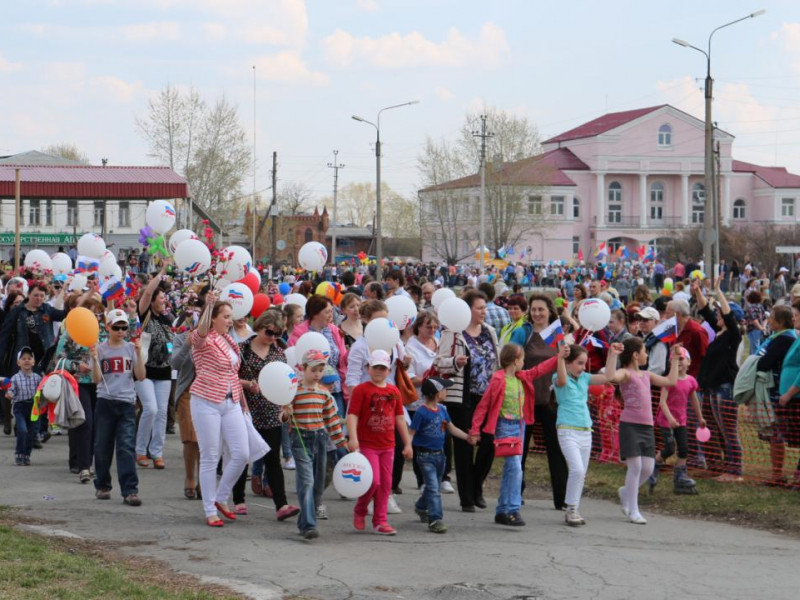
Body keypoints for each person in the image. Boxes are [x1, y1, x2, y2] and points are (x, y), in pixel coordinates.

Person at [469, 343, 561, 526]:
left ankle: (502, 510)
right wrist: (475, 430)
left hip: (520, 426)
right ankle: (512, 509)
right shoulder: (498, 379)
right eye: (522, 359)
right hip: (504, 426)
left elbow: (540, 369)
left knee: (511, 469)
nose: (524, 362)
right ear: (515, 360)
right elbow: (483, 405)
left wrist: (559, 357)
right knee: (516, 468)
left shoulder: (521, 376)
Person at [434, 289, 499, 512]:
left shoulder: (489, 331)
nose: (484, 312)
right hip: (462, 397)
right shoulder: (453, 333)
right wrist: (455, 362)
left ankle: (477, 484)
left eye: (485, 308)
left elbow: (496, 361)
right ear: (467, 310)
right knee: (464, 446)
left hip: (487, 396)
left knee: (489, 442)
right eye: (479, 308)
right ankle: (467, 498)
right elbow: (439, 362)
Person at [234, 310, 300, 521]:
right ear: (259, 327)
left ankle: (281, 505)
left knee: (273, 459)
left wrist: (287, 406)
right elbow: (229, 377)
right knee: (242, 456)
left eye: (277, 334)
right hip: (246, 409)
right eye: (269, 332)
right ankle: (238, 499)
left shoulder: (279, 353)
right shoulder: (241, 349)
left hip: (271, 411)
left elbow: (286, 381)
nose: (272, 337)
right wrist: (247, 384)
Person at [190, 293, 249, 527]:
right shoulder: (202, 338)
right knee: (210, 456)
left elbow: (233, 372)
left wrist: (242, 400)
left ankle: (221, 497)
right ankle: (209, 509)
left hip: (231, 400)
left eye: (230, 316)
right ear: (213, 318)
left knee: (242, 453)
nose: (230, 321)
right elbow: (201, 333)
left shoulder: (228, 340)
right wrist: (209, 305)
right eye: (225, 316)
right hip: (206, 400)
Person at [609, 337, 681, 524]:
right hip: (630, 426)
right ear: (635, 355)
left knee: (648, 468)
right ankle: (633, 510)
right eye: (644, 351)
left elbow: (671, 381)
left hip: (647, 427)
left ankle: (626, 491)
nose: (647, 355)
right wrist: (612, 355)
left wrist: (675, 359)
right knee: (635, 467)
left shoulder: (647, 375)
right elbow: (611, 377)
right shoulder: (625, 373)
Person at [553, 343, 621, 526]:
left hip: (585, 431)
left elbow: (608, 376)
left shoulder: (585, 378)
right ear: (568, 362)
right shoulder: (558, 377)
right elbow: (562, 381)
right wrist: (560, 357)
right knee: (577, 469)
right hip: (567, 429)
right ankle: (570, 508)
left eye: (585, 363)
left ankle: (573, 508)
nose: (583, 367)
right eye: (579, 363)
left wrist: (612, 354)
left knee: (581, 473)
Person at [347, 349, 413, 536]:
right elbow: (352, 415)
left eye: (383, 368)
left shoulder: (394, 391)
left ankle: (380, 521)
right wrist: (353, 438)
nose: (379, 371)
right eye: (375, 367)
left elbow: (400, 418)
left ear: (389, 370)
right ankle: (361, 508)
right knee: (373, 481)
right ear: (368, 368)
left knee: (385, 484)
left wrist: (407, 443)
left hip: (387, 445)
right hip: (367, 444)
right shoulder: (361, 390)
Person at [283, 349, 347, 539]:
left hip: (320, 439)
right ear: (303, 369)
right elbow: (284, 417)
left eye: (321, 370)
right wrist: (286, 413)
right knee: (307, 481)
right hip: (300, 439)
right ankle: (309, 525)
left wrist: (341, 443)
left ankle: (304, 520)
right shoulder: (294, 391)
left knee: (318, 483)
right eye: (314, 370)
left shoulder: (324, 394)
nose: (318, 374)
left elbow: (332, 420)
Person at [91, 309, 146, 506]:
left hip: (126, 402)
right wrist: (94, 359)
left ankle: (130, 490)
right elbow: (96, 379)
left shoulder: (131, 348)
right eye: (116, 327)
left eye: (124, 327)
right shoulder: (100, 349)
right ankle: (103, 485)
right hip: (105, 401)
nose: (121, 331)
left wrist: (139, 354)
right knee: (102, 446)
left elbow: (141, 376)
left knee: (126, 447)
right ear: (108, 327)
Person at [520, 294, 567, 509]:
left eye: (541, 309)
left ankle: (562, 499)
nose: (537, 313)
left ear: (550, 311)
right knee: (520, 450)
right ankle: (515, 493)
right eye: (534, 309)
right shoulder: (525, 333)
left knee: (556, 450)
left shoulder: (557, 335)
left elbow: (565, 364)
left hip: (551, 400)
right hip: (526, 399)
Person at [694, 278, 744, 482]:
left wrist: (717, 290)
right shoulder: (719, 331)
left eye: (719, 313)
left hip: (725, 388)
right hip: (713, 388)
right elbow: (705, 310)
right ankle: (726, 467)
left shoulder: (733, 335)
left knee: (729, 431)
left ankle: (735, 472)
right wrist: (697, 291)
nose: (716, 315)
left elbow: (729, 316)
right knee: (720, 430)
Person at [410, 376, 472, 534]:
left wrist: (467, 437)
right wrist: (407, 447)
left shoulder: (443, 410)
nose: (446, 392)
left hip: (440, 456)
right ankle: (435, 519)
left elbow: (451, 428)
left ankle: (421, 506)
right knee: (434, 488)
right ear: (437, 393)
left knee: (433, 487)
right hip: (425, 457)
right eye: (445, 389)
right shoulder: (421, 412)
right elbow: (411, 432)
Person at [648, 348, 705, 494]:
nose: (678, 362)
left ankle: (680, 476)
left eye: (681, 359)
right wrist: (670, 418)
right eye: (675, 359)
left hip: (681, 421)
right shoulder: (669, 381)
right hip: (666, 420)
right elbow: (662, 402)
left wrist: (700, 418)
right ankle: (654, 466)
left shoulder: (691, 381)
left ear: (689, 362)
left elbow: (694, 400)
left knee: (684, 448)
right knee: (669, 448)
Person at [135, 263, 175, 469]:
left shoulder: (167, 319)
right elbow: (148, 292)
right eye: (161, 298)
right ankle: (140, 450)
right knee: (150, 409)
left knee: (161, 413)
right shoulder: (145, 314)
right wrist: (161, 273)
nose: (164, 300)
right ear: (152, 301)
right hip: (144, 370)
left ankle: (157, 452)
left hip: (164, 371)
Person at [755, 305, 797, 487]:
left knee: (778, 434)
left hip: (782, 393)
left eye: (772, 317)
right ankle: (777, 473)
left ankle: (778, 474)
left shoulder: (785, 339)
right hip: (778, 392)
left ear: (780, 321)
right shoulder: (779, 337)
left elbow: (765, 362)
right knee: (775, 434)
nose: (769, 320)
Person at [8, 347, 42, 466]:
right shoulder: (15, 378)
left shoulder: (37, 378)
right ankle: (19, 453)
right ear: (18, 363)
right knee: (22, 430)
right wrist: (10, 394)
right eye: (23, 359)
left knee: (31, 433)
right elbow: (11, 390)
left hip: (33, 407)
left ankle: (26, 454)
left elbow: (41, 391)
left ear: (33, 362)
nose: (26, 360)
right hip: (20, 407)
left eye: (29, 358)